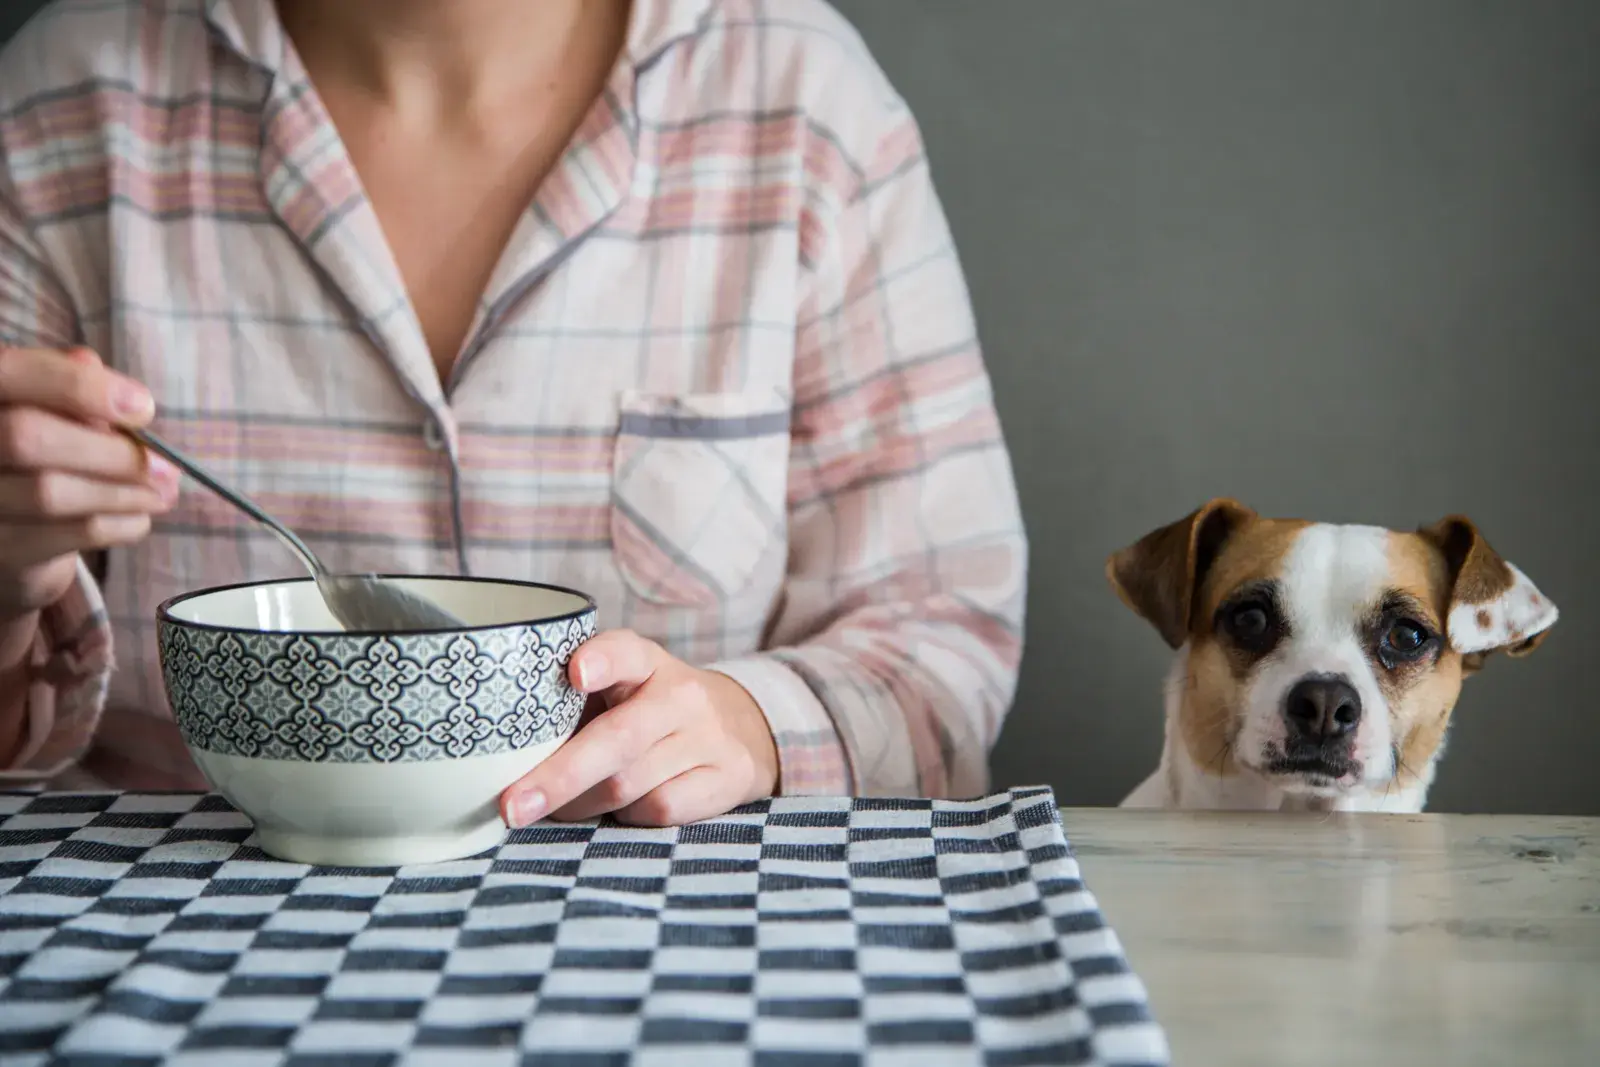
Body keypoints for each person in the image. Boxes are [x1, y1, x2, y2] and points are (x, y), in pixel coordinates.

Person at [0, 0, 1027, 827]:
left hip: (674, 941)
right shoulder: (59, 106)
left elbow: (944, 633)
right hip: (176, 924)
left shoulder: (807, 104)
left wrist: (752, 723)